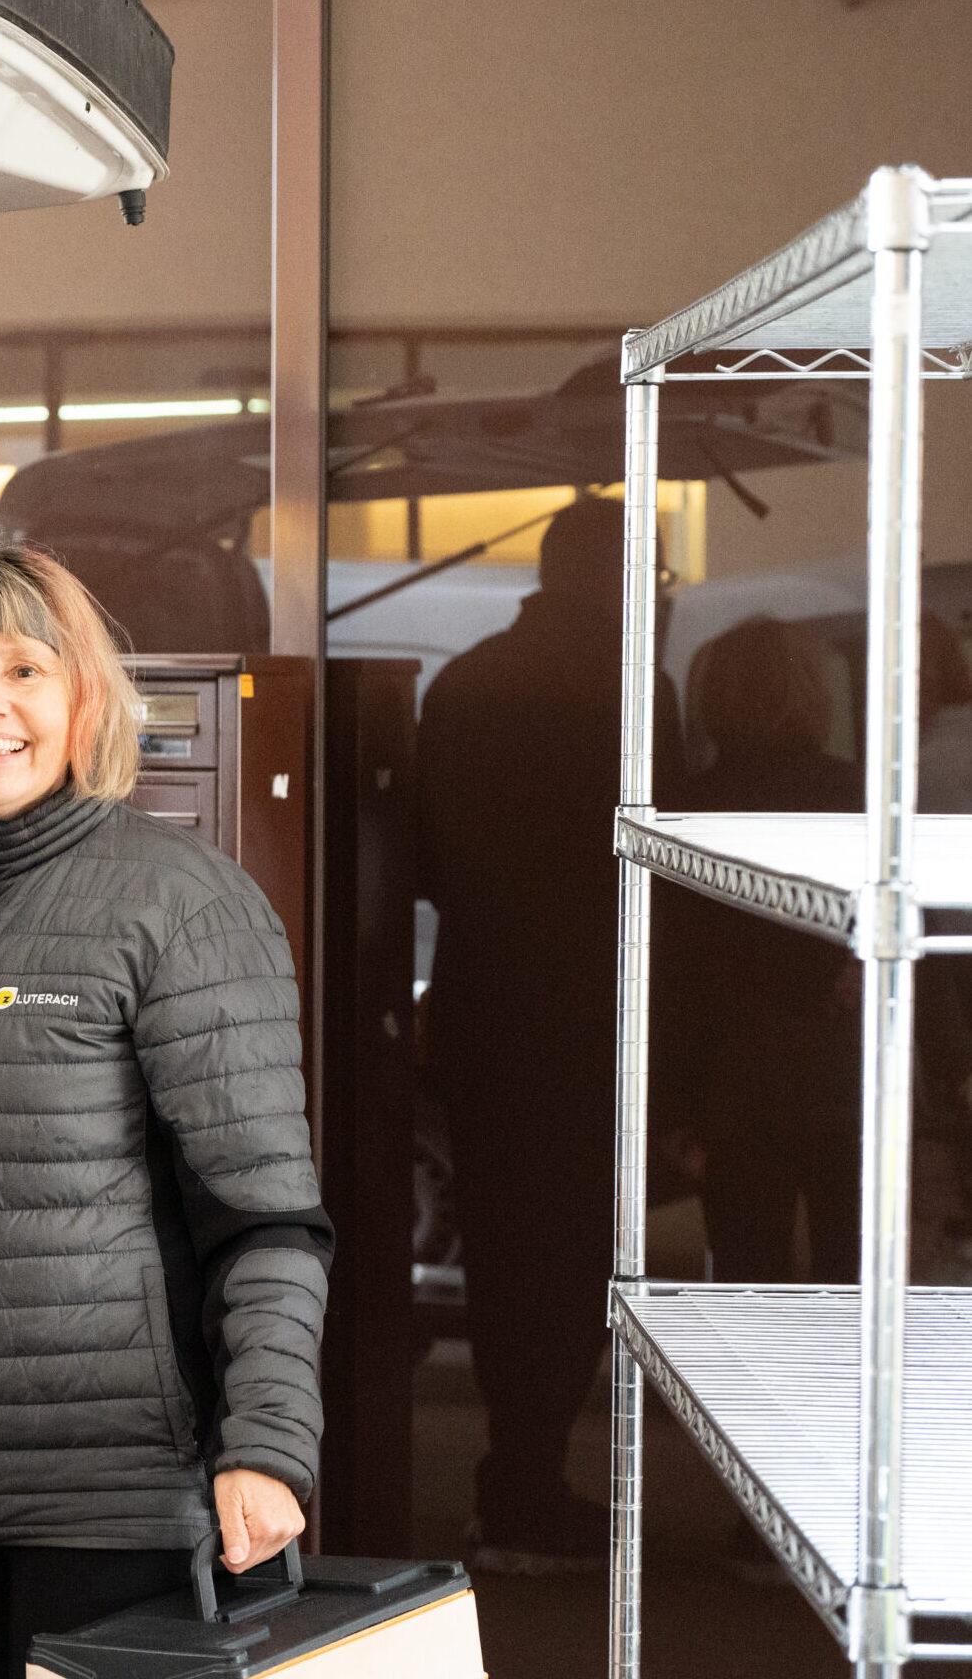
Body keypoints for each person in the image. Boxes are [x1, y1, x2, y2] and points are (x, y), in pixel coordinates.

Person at [0, 534, 333, 1679]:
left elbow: (264, 1219)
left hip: (112, 1497)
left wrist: (266, 1443)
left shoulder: (179, 903)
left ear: (82, 699)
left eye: (24, 670)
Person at [415, 494, 683, 1575]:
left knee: (501, 1252)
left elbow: (426, 859)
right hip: (593, 1016)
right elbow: (660, 867)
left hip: (484, 1011)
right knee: (574, 1258)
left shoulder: (465, 680)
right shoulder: (630, 690)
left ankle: (511, 1481)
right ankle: (527, 1486)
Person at [664, 616, 860, 1284]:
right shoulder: (856, 795)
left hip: (736, 1082)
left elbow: (676, 974)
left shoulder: (690, 808)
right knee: (855, 1278)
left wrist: (674, 1109)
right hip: (847, 1071)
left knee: (750, 1280)